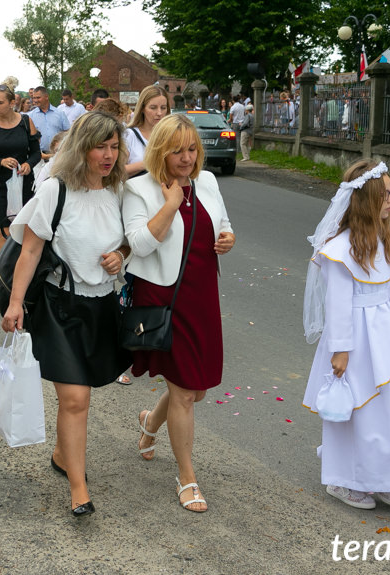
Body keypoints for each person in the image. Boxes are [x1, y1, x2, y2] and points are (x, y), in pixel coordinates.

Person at [2, 111, 133, 517]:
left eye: (114, 147)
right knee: (75, 399)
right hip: (61, 307)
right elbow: (30, 249)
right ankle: (78, 487)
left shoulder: (120, 191)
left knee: (84, 392)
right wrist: (14, 303)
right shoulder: (55, 191)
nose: (109, 155)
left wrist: (121, 254)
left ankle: (63, 455)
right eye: (100, 146)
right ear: (82, 147)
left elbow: (134, 238)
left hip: (104, 305)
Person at [122, 114, 236, 513]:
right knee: (185, 390)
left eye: (192, 149)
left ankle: (150, 423)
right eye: (177, 151)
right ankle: (187, 478)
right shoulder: (139, 189)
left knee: (195, 388)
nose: (187, 159)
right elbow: (137, 244)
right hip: (163, 295)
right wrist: (170, 204)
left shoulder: (207, 181)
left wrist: (228, 237)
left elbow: (222, 222)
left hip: (202, 293)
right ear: (160, 151)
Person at [301, 160, 390, 510]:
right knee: (356, 408)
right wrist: (340, 350)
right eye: (383, 194)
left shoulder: (388, 242)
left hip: (382, 335)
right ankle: (343, 479)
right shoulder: (340, 251)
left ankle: (380, 475)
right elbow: (338, 305)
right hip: (353, 340)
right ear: (364, 200)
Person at [0, 83, 41, 232]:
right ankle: (5, 256)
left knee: (24, 230)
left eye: (0, 102)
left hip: (24, 183)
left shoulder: (26, 121)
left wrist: (28, 164)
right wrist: (1, 161)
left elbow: (36, 153)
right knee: (4, 231)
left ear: (12, 103)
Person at [124, 85, 169, 178]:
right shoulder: (129, 135)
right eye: (153, 108)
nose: (159, 113)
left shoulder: (172, 136)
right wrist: (147, 163)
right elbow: (115, 172)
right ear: (142, 109)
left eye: (163, 108)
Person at [28, 86, 70, 162]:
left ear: (46, 97)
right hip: (39, 157)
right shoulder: (30, 116)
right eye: (34, 98)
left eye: (38, 98)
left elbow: (68, 132)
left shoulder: (60, 114)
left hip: (58, 156)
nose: (35, 100)